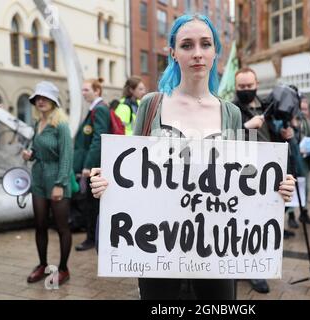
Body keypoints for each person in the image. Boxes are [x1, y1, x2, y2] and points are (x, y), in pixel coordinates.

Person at [89, 14, 295, 300]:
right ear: (173, 52)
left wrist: (275, 188)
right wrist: (106, 184)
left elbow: (243, 178)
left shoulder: (231, 113)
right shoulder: (152, 105)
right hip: (158, 244)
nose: (197, 53)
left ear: (215, 52)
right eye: (187, 45)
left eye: (205, 44)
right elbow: (132, 170)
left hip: (216, 246)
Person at [233, 67, 295, 294]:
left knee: (261, 222)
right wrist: (245, 128)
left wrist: (288, 134)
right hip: (241, 175)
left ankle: (255, 268)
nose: (246, 90)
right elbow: (220, 140)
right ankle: (240, 266)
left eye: (250, 86)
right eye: (242, 87)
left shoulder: (268, 107)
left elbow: (276, 136)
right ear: (235, 87)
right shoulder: (230, 110)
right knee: (240, 222)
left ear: (256, 84)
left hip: (268, 174)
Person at [22, 81, 73, 285]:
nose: (40, 101)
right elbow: (38, 148)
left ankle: (63, 269)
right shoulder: (38, 123)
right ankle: (42, 265)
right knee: (40, 225)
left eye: (45, 98)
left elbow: (66, 157)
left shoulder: (60, 125)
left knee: (62, 227)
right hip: (39, 178)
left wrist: (60, 183)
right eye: (37, 98)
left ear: (54, 101)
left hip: (57, 178)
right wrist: (30, 154)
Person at [73, 78, 110, 251]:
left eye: (86, 89)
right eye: (82, 89)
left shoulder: (100, 109)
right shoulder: (94, 109)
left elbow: (98, 138)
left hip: (94, 167)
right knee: (90, 204)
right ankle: (92, 237)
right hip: (92, 166)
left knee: (92, 205)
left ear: (97, 91)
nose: (83, 92)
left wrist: (88, 165)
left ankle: (92, 238)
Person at [287, 95, 310, 229]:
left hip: (306, 160)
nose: (304, 111)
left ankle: (304, 213)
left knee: (306, 188)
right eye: (302, 108)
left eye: (306, 109)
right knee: (293, 189)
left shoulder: (307, 121)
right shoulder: (291, 121)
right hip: (293, 160)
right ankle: (291, 216)